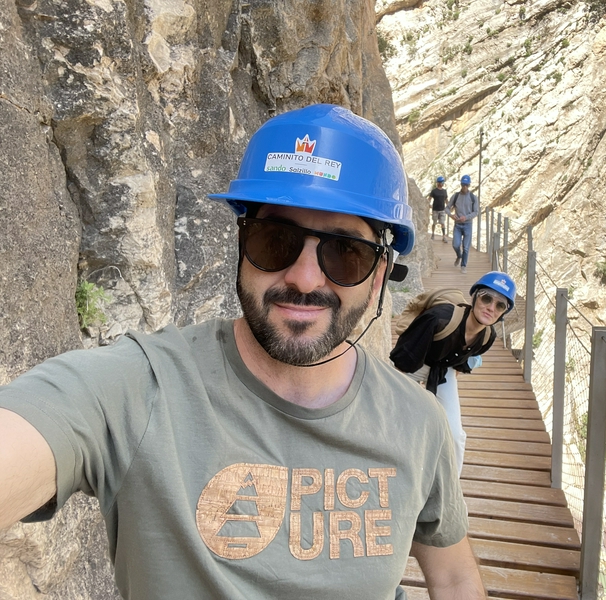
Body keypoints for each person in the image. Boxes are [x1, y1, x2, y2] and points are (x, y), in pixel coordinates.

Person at [0, 105, 487, 600]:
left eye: (345, 252)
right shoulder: (138, 390)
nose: (303, 277)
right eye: (275, 240)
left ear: (379, 275)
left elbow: (453, 577)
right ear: (241, 244)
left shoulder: (419, 423)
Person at [389, 272, 517, 475]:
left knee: (455, 435)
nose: (491, 308)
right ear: (475, 297)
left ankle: (451, 490)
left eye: (500, 305)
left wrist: (444, 391)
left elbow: (460, 363)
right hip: (413, 365)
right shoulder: (439, 318)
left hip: (443, 370)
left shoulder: (487, 336)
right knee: (400, 421)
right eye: (486, 298)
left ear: (503, 312)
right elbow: (403, 359)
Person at [447, 175, 479, 274]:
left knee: (466, 247)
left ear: (469, 185)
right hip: (457, 225)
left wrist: (466, 217)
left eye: (466, 185)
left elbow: (476, 212)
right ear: (461, 184)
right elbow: (447, 208)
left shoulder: (473, 198)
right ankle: (459, 256)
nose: (464, 187)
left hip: (468, 224)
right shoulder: (456, 196)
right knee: (455, 244)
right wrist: (451, 215)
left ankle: (463, 265)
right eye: (463, 184)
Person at [427, 176, 448, 242]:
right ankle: (433, 234)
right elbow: (429, 199)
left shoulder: (444, 191)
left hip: (442, 209)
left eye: (441, 182)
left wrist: (449, 206)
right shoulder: (434, 191)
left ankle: (444, 236)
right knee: (434, 222)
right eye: (439, 182)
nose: (440, 184)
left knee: (442, 223)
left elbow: (446, 200)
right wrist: (429, 204)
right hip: (435, 209)